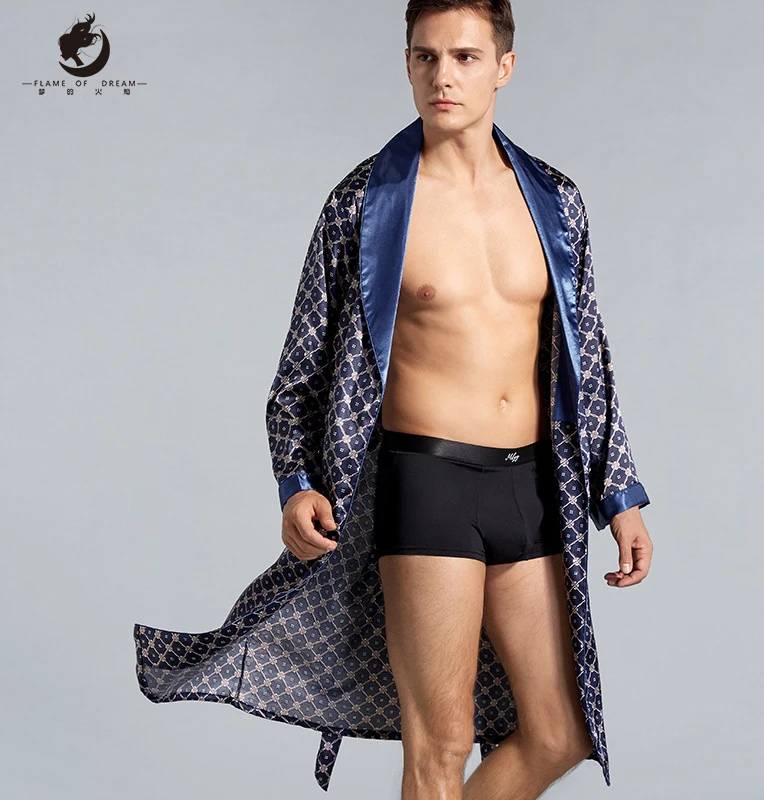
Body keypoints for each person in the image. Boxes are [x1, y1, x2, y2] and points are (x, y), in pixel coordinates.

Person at [133, 1, 653, 796]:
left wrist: (620, 496)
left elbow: (591, 358)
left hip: (533, 485)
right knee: (439, 745)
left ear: (504, 67)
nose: (443, 76)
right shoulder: (364, 205)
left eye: (465, 57)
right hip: (428, 483)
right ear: (407, 64)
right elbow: (300, 372)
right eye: (425, 57)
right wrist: (296, 481)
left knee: (560, 732)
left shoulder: (555, 200)